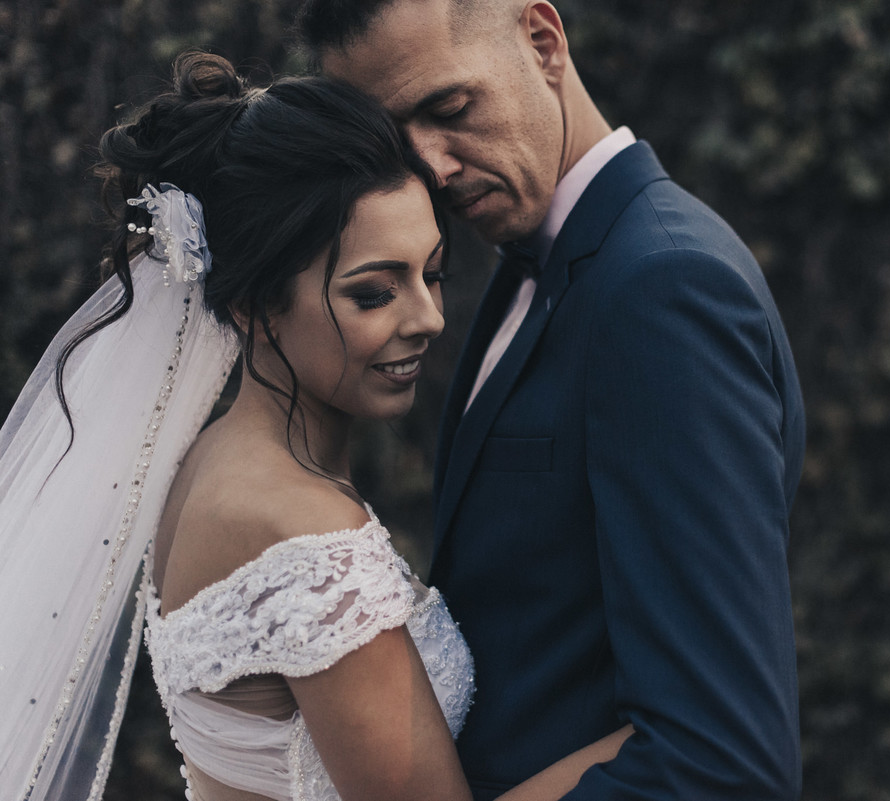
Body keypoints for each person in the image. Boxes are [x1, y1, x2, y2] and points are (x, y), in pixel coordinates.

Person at [0, 52, 628, 801]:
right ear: (256, 305)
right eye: (373, 293)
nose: (427, 318)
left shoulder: (208, 465)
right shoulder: (300, 532)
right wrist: (656, 739)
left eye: (431, 273)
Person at [298, 1, 806, 798]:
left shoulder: (663, 287)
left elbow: (720, 762)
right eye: (396, 141)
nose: (429, 166)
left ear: (543, 42)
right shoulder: (528, 270)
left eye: (449, 108)